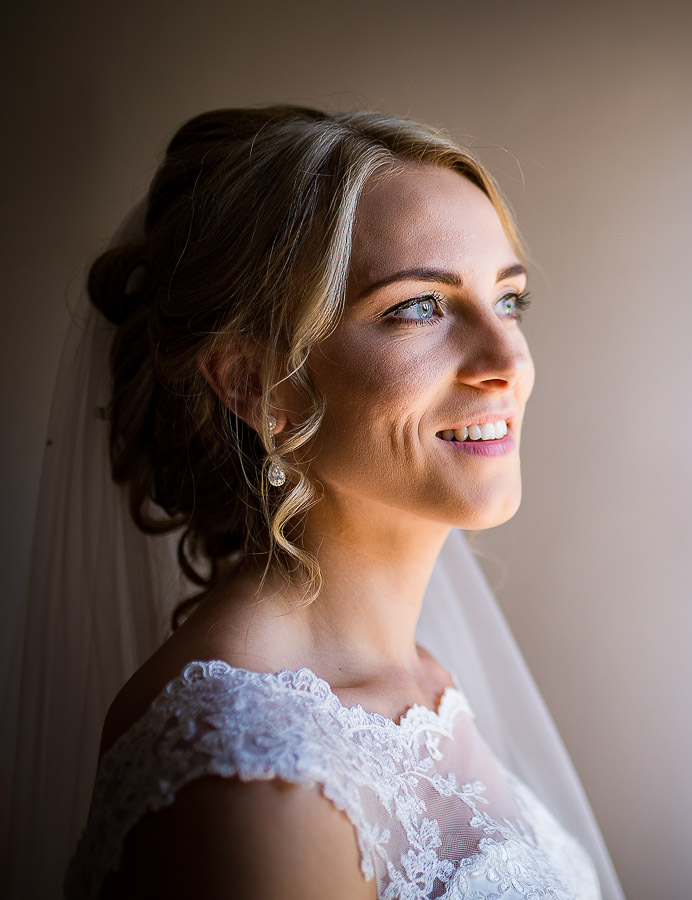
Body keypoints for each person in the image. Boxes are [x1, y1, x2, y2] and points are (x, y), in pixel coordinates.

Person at [1, 106, 623, 899]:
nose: (508, 360)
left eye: (509, 299)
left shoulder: (420, 674)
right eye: (418, 307)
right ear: (261, 386)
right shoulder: (253, 781)